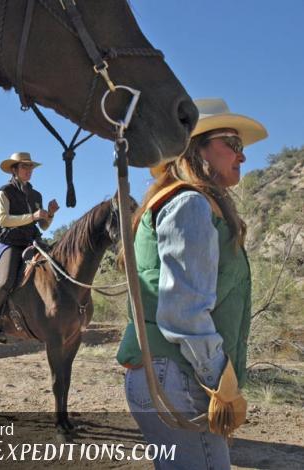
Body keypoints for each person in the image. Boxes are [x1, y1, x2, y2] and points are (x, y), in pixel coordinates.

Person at [117, 98, 268, 469]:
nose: (242, 156)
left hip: (166, 374)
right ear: (194, 148)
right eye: (232, 144)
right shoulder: (191, 204)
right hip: (181, 377)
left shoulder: (187, 202)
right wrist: (222, 384)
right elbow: (183, 312)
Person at [0, 152, 59, 344]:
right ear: (14, 170)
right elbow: (3, 219)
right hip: (11, 242)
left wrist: (49, 214)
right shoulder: (4, 192)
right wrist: (33, 216)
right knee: (6, 279)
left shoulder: (36, 195)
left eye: (30, 167)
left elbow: (44, 226)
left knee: (56, 269)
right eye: (24, 167)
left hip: (33, 241)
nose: (29, 171)